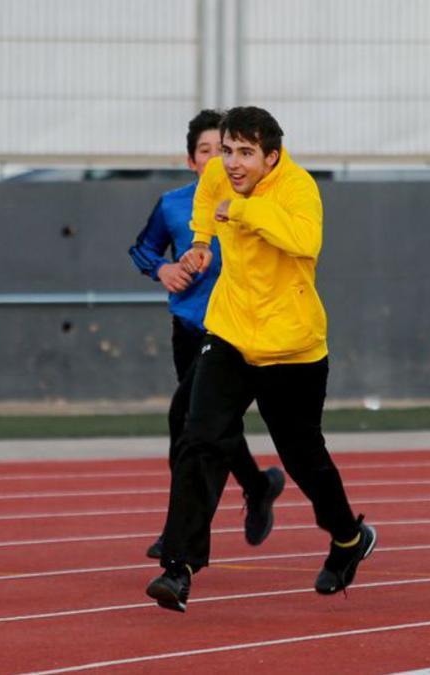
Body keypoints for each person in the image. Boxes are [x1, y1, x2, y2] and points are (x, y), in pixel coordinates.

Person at [145, 107, 375, 612]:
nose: (231, 163)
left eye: (245, 153)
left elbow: (304, 240)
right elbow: (207, 203)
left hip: (292, 347)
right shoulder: (219, 178)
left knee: (302, 458)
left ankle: (348, 539)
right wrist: (202, 244)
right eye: (227, 150)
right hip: (230, 332)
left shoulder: (298, 189)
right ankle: (178, 569)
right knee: (198, 436)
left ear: (272, 157)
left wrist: (243, 211)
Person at [128, 110, 284, 560]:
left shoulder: (254, 205)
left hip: (236, 332)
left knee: (192, 426)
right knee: (211, 426)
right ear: (191, 160)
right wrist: (163, 268)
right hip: (190, 329)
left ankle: (183, 539)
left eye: (228, 150)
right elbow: (143, 247)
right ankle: (258, 486)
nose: (219, 159)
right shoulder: (174, 204)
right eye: (207, 151)